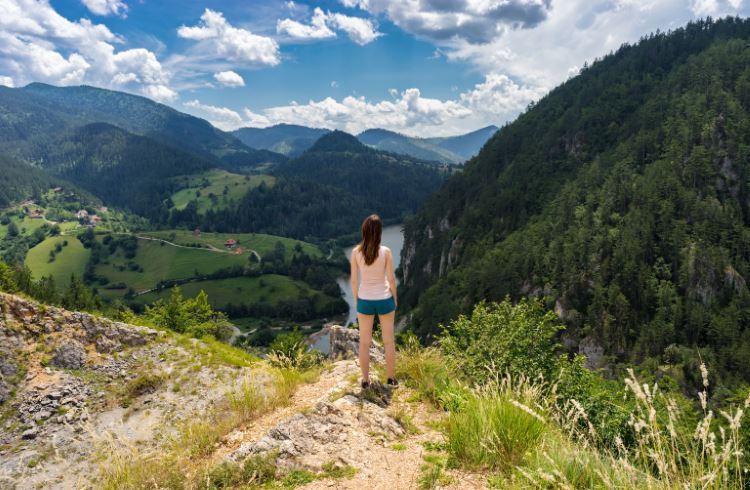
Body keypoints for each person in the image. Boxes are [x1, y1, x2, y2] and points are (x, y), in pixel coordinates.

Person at [350, 214, 398, 388]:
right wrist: (395, 297)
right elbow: (391, 279)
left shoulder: (356, 252)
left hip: (365, 300)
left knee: (364, 342)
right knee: (388, 341)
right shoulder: (385, 252)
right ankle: (391, 379)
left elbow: (354, 281)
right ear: (379, 232)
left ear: (364, 230)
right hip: (385, 299)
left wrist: (357, 299)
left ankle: (365, 380)